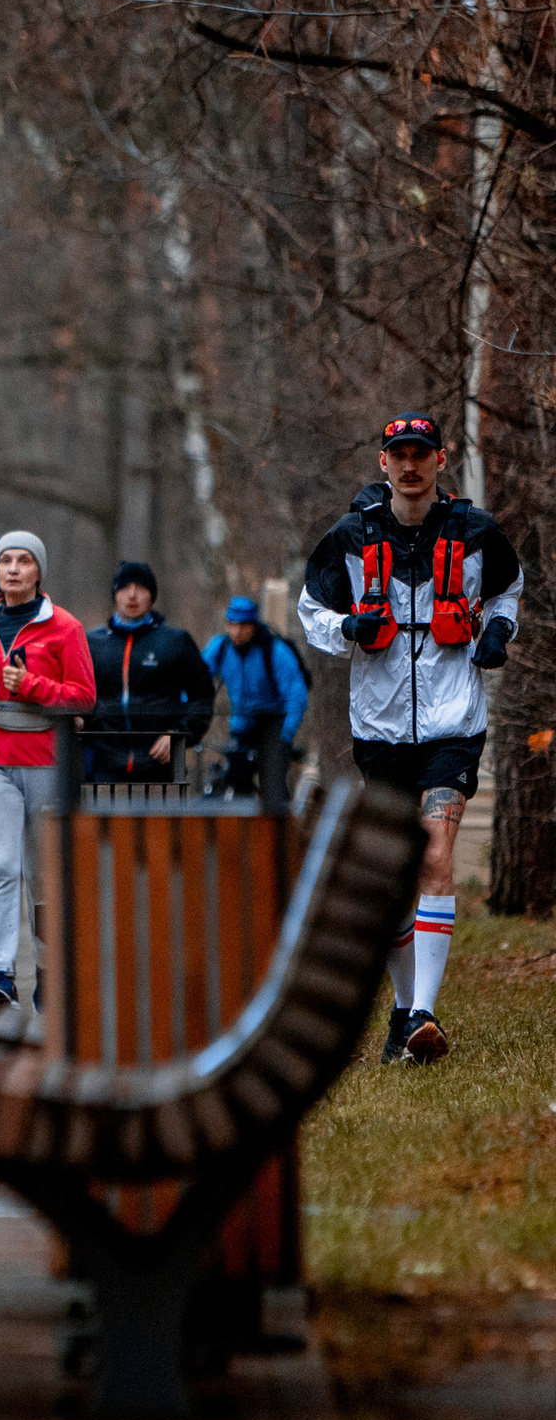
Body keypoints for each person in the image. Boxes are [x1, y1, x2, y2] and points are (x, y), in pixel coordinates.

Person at [298, 410, 521, 1064]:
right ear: (383, 462)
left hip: (454, 722)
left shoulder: (475, 532)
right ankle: (402, 1013)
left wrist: (499, 632)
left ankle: (425, 1010)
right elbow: (314, 613)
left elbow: (509, 589)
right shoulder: (350, 536)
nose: (411, 464)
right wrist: (349, 630)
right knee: (396, 873)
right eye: (400, 453)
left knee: (431, 853)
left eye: (422, 452)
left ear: (441, 460)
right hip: (381, 727)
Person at [0, 531, 95, 1009]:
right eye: (6, 562)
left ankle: (47, 967)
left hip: (45, 756)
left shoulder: (63, 627)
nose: (13, 569)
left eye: (24, 561)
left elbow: (84, 696)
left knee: (43, 873)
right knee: (2, 867)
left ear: (39, 572)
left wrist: (35, 686)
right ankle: (1, 974)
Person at [82, 562, 215, 786]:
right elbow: (79, 696)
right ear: (115, 595)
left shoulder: (175, 641)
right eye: (124, 588)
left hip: (160, 766)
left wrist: (179, 735)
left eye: (141, 588)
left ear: (152, 597)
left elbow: (202, 696)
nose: (132, 595)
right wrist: (84, 727)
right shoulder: (93, 643)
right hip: (105, 767)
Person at [201, 596, 309, 798]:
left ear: (254, 625)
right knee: (234, 778)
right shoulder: (221, 648)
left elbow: (296, 695)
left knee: (273, 785)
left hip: (273, 722)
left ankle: (277, 822)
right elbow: (197, 677)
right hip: (241, 723)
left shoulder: (274, 651)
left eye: (243, 625)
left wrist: (286, 735)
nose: (237, 632)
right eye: (232, 625)